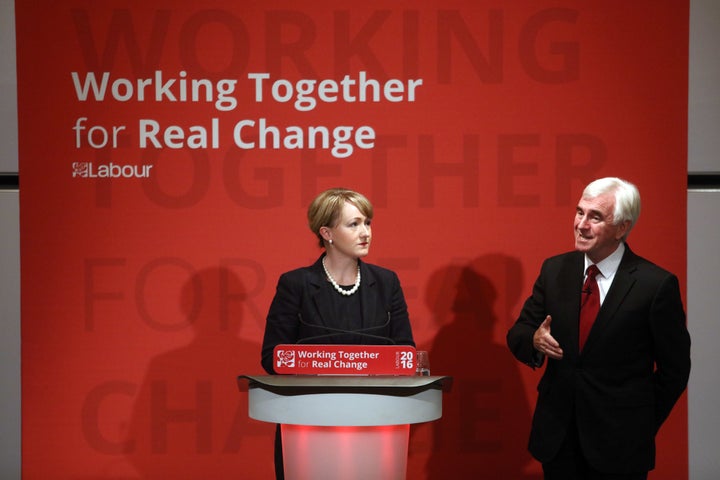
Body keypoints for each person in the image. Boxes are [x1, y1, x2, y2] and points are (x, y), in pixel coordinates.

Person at [506, 177, 691, 480]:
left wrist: (639, 424)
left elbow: (676, 369)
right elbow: (519, 331)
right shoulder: (555, 270)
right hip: (558, 440)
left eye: (595, 217)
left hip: (621, 445)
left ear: (622, 227)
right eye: (580, 212)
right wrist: (534, 339)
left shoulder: (655, 285)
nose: (581, 224)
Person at [260, 187, 416, 479]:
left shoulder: (386, 283)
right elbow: (272, 357)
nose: (365, 232)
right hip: (309, 426)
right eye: (354, 224)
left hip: (374, 424)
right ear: (327, 233)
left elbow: (405, 352)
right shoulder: (296, 285)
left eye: (367, 222)